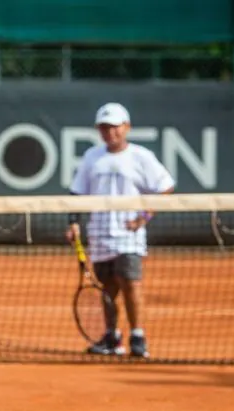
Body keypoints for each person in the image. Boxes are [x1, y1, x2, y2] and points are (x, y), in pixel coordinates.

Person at [66, 102, 175, 358]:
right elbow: (77, 193)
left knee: (131, 284)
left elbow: (165, 187)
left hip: (129, 237)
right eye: (104, 127)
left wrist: (144, 217)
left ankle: (138, 336)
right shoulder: (92, 157)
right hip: (99, 235)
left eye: (114, 127)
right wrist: (73, 222)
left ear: (126, 127)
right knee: (107, 290)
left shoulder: (141, 156)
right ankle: (112, 337)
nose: (110, 132)